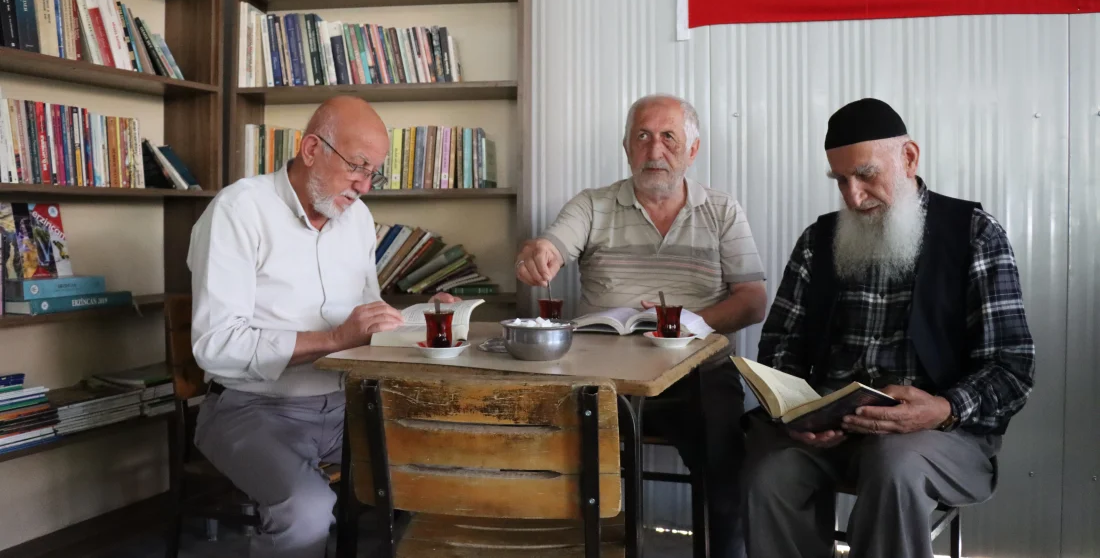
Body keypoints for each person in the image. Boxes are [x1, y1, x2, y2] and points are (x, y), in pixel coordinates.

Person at [743, 98, 1035, 558]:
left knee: (893, 466)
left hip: (941, 435)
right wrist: (797, 412)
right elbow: (780, 344)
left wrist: (944, 408)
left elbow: (1012, 367)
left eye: (865, 175)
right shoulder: (819, 240)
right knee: (768, 475)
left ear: (909, 157)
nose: (853, 197)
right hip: (834, 431)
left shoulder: (974, 235)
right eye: (841, 180)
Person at [187, 96, 457, 557]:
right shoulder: (238, 210)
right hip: (248, 408)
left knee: (443, 466)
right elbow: (216, 345)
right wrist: (333, 340)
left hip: (343, 404)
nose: (364, 186)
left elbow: (364, 319)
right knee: (306, 509)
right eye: (357, 166)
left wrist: (416, 317)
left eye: (374, 173)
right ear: (312, 148)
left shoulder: (357, 220)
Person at [515, 94, 767, 558]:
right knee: (557, 453)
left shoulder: (722, 210)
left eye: (669, 137)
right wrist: (540, 252)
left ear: (693, 150)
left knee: (725, 459)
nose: (655, 150)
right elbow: (553, 244)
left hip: (697, 375)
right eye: (643, 137)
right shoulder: (592, 205)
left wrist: (689, 323)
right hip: (602, 378)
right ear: (626, 147)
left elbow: (753, 302)